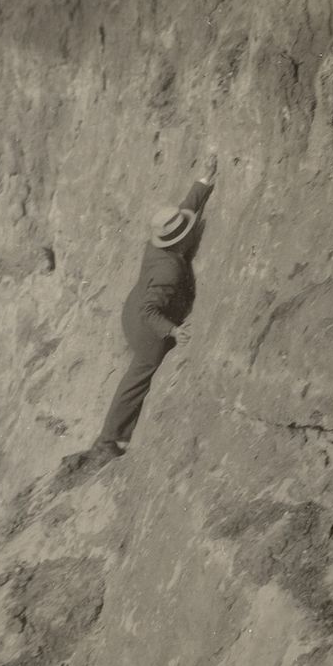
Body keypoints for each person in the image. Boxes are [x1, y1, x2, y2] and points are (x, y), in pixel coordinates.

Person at [83, 151, 218, 468]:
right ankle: (109, 439)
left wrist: (205, 177)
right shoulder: (169, 270)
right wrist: (173, 331)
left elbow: (185, 210)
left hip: (131, 309)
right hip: (146, 327)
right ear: (179, 242)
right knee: (139, 376)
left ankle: (110, 436)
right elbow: (149, 312)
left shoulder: (158, 244)